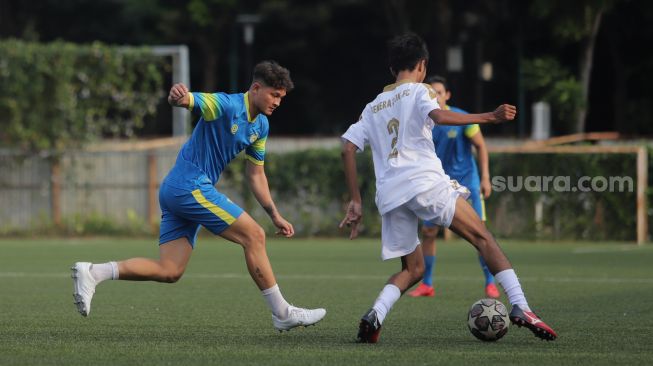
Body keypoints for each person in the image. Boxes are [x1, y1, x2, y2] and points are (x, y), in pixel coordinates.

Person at [71, 60, 326, 332]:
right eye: (274, 95)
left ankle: (93, 272)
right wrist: (178, 97)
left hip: (176, 190)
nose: (278, 102)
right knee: (254, 236)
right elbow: (190, 101)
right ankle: (283, 313)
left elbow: (256, 175)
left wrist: (274, 214)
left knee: (170, 270)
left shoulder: (260, 126)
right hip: (189, 187)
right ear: (255, 88)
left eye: (281, 98)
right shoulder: (227, 105)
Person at [339, 33, 557, 343]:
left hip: (389, 194)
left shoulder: (373, 105)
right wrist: (489, 117)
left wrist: (356, 201)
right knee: (484, 238)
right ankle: (522, 306)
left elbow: (347, 147)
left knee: (413, 269)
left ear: (392, 70)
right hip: (423, 182)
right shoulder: (420, 91)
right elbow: (439, 115)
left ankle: (375, 314)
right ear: (423, 66)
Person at [408, 75, 499, 299]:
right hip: (437, 186)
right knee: (429, 232)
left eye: (439, 92)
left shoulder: (461, 118)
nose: (435, 96)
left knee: (480, 232)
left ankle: (490, 282)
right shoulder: (422, 122)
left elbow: (481, 146)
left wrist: (486, 178)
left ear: (447, 95)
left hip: (467, 183)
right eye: (431, 92)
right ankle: (427, 284)